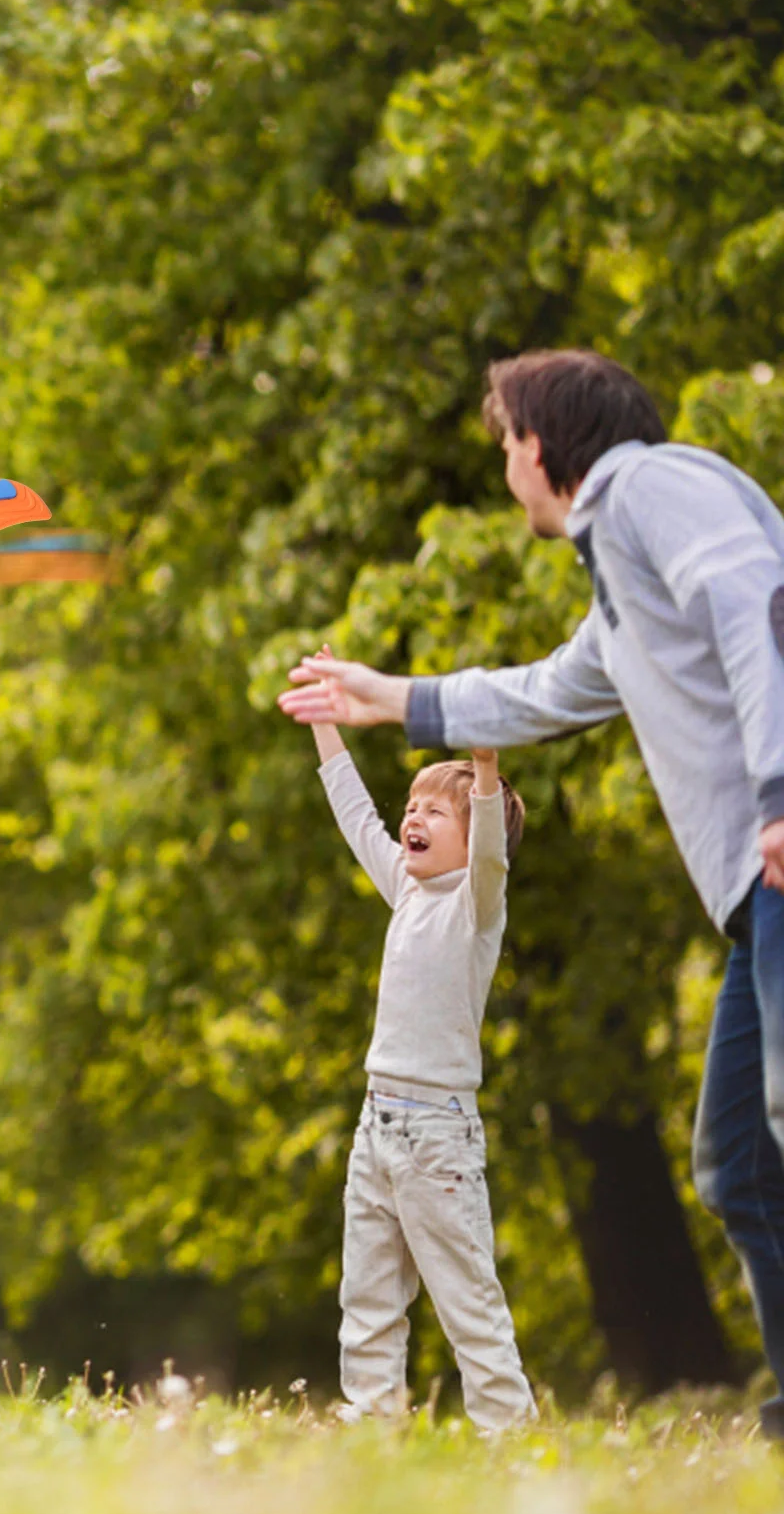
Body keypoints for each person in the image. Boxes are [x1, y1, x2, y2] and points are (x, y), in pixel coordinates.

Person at [279, 347, 784, 1433]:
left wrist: (780, 790)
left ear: (537, 445)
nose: (504, 467)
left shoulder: (649, 486)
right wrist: (385, 698)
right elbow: (545, 691)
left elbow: (755, 600)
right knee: (737, 1160)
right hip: (753, 901)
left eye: (504, 444)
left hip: (776, 857)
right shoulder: (621, 585)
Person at [300, 679, 534, 1430]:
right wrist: (326, 728)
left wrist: (487, 772)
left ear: (470, 838)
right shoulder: (405, 888)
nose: (413, 817)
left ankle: (511, 1437)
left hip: (438, 1137)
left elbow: (492, 856)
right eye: (413, 806)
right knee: (366, 1295)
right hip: (377, 1127)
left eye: (435, 809)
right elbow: (353, 812)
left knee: (468, 1300)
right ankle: (372, 1425)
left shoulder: (476, 907)